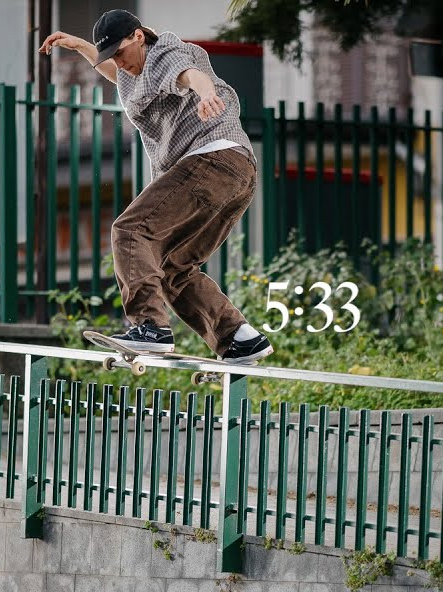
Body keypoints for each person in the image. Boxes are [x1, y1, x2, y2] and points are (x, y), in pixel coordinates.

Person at [39, 9, 273, 364]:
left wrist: (207, 94)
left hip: (211, 159)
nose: (120, 62)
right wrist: (82, 47)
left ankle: (149, 327)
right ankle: (239, 337)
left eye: (121, 51)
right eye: (111, 56)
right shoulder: (135, 71)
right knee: (171, 268)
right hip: (235, 173)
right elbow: (117, 73)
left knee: (131, 231)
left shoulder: (164, 53)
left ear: (137, 36)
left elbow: (190, 74)